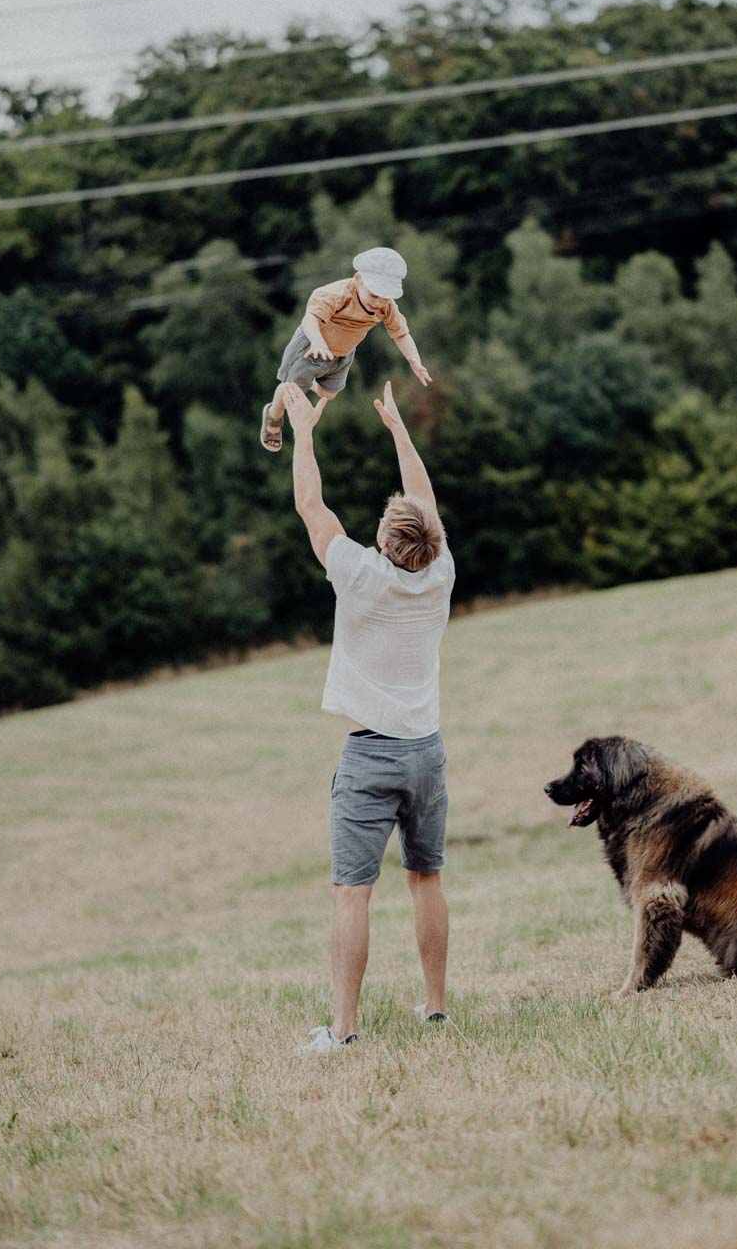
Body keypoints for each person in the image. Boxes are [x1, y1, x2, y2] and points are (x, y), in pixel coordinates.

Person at [281, 376, 456, 1054]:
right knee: (426, 878)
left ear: (385, 537)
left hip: (370, 756)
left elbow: (308, 502)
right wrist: (396, 429)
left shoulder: (356, 571)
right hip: (426, 753)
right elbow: (427, 507)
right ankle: (435, 1010)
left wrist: (303, 427)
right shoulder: (439, 575)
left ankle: (345, 1032)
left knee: (352, 894)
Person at [261, 246, 432, 452]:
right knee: (292, 391)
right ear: (358, 278)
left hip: (343, 353)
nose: (379, 303)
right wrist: (317, 342)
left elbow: (401, 334)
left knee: (328, 394)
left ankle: (311, 383)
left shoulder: (387, 306)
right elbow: (310, 319)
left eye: (385, 297)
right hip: (311, 347)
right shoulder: (335, 294)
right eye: (374, 294)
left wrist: (414, 360)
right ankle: (273, 414)